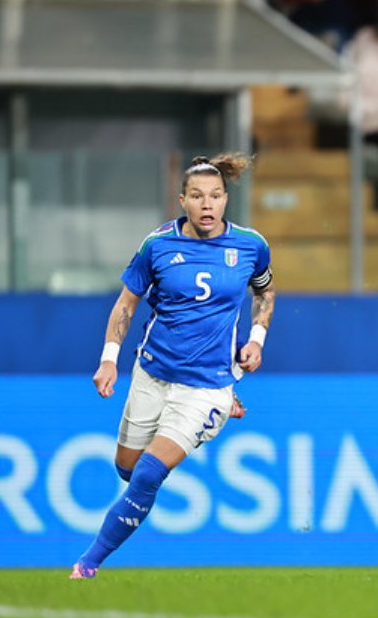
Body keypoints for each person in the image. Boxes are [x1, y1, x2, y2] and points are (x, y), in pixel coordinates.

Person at [70, 154, 275, 579]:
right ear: (182, 200)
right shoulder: (158, 245)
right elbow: (126, 305)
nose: (207, 204)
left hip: (205, 386)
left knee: (148, 473)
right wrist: (108, 361)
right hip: (152, 374)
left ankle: (87, 564)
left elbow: (265, 293)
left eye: (215, 196)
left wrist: (256, 339)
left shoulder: (250, 246)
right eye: (197, 196)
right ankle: (223, 405)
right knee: (128, 470)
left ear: (225, 200)